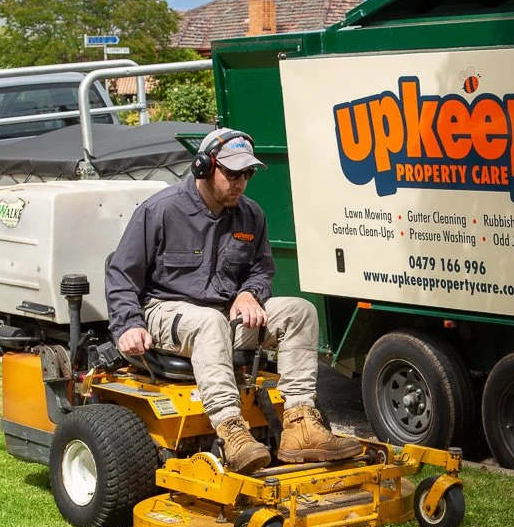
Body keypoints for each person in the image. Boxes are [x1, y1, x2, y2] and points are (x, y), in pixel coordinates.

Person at [105, 125, 362, 474]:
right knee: (208, 322)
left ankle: (301, 424)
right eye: (232, 173)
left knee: (300, 311)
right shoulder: (160, 210)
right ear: (204, 167)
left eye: (247, 173)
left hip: (223, 315)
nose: (240, 182)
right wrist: (129, 325)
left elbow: (260, 270)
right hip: (164, 312)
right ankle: (232, 431)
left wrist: (248, 293)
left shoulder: (251, 215)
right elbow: (121, 274)